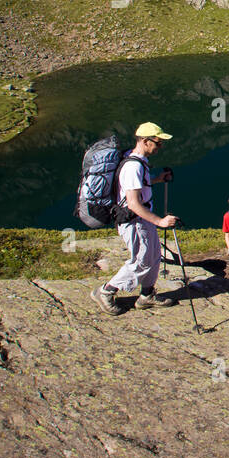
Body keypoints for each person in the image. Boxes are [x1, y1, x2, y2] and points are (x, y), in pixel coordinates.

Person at [92, 122, 179, 315]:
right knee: (141, 261)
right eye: (158, 142)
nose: (160, 146)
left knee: (154, 256)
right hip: (134, 220)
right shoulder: (133, 167)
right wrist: (160, 221)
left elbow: (137, 187)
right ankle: (106, 291)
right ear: (146, 141)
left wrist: (158, 179)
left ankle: (147, 295)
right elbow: (133, 203)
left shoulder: (138, 160)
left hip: (142, 219)